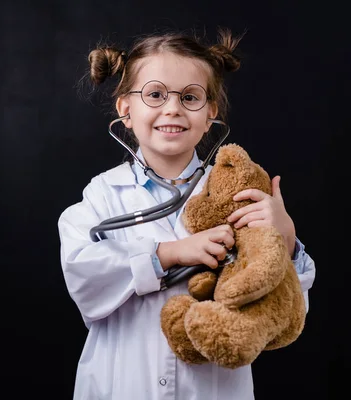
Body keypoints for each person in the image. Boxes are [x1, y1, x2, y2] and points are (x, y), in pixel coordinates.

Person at [58, 27, 316, 400]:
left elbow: (284, 312)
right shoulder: (101, 197)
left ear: (211, 113)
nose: (173, 108)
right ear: (126, 110)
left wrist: (286, 241)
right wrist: (170, 253)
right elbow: (84, 280)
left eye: (190, 97)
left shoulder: (241, 194)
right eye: (156, 94)